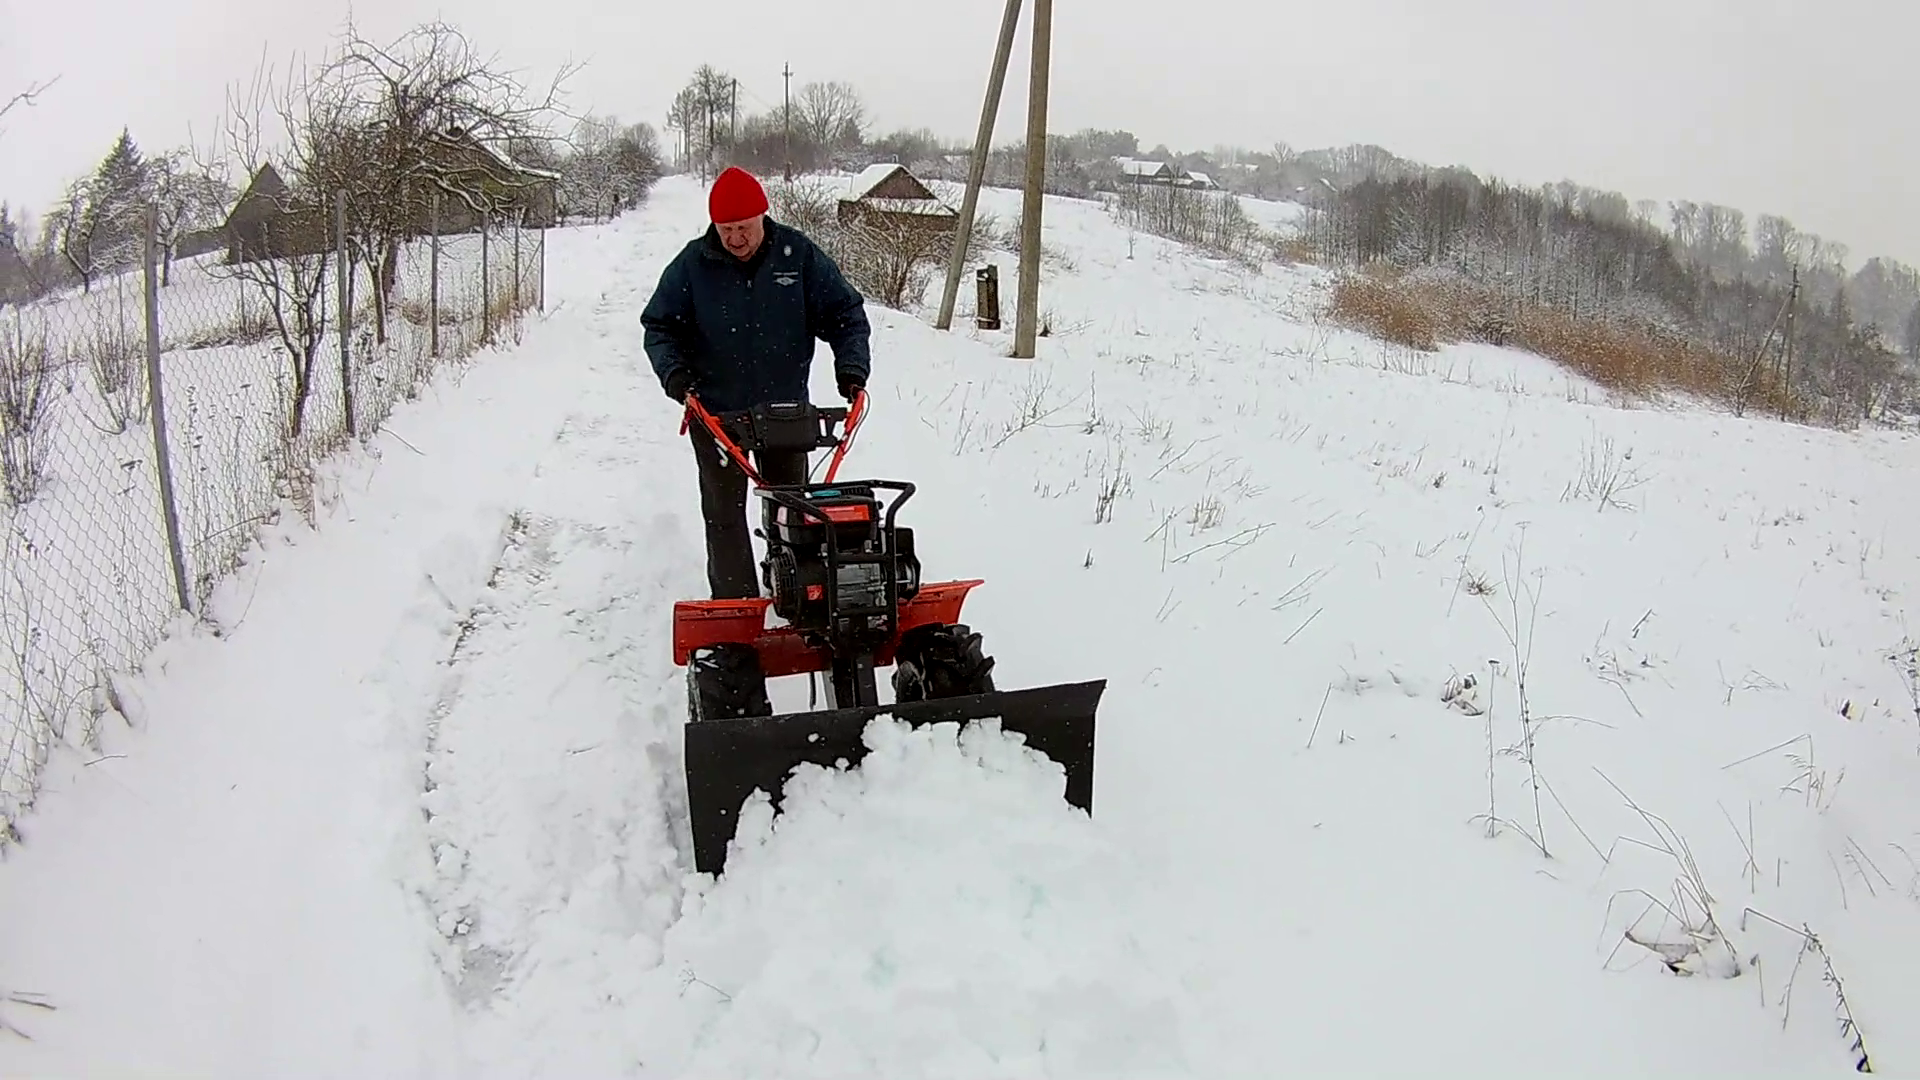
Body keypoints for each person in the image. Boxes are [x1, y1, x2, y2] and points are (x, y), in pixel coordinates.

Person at [641, 165, 873, 600]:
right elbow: (659, 327)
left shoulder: (797, 256)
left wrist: (852, 371)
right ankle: (737, 606)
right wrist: (676, 377)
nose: (735, 239)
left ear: (763, 217)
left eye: (744, 227)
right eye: (726, 229)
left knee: (792, 508)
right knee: (724, 516)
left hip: (784, 412)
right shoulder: (693, 265)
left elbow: (845, 315)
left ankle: (794, 592)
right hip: (715, 414)